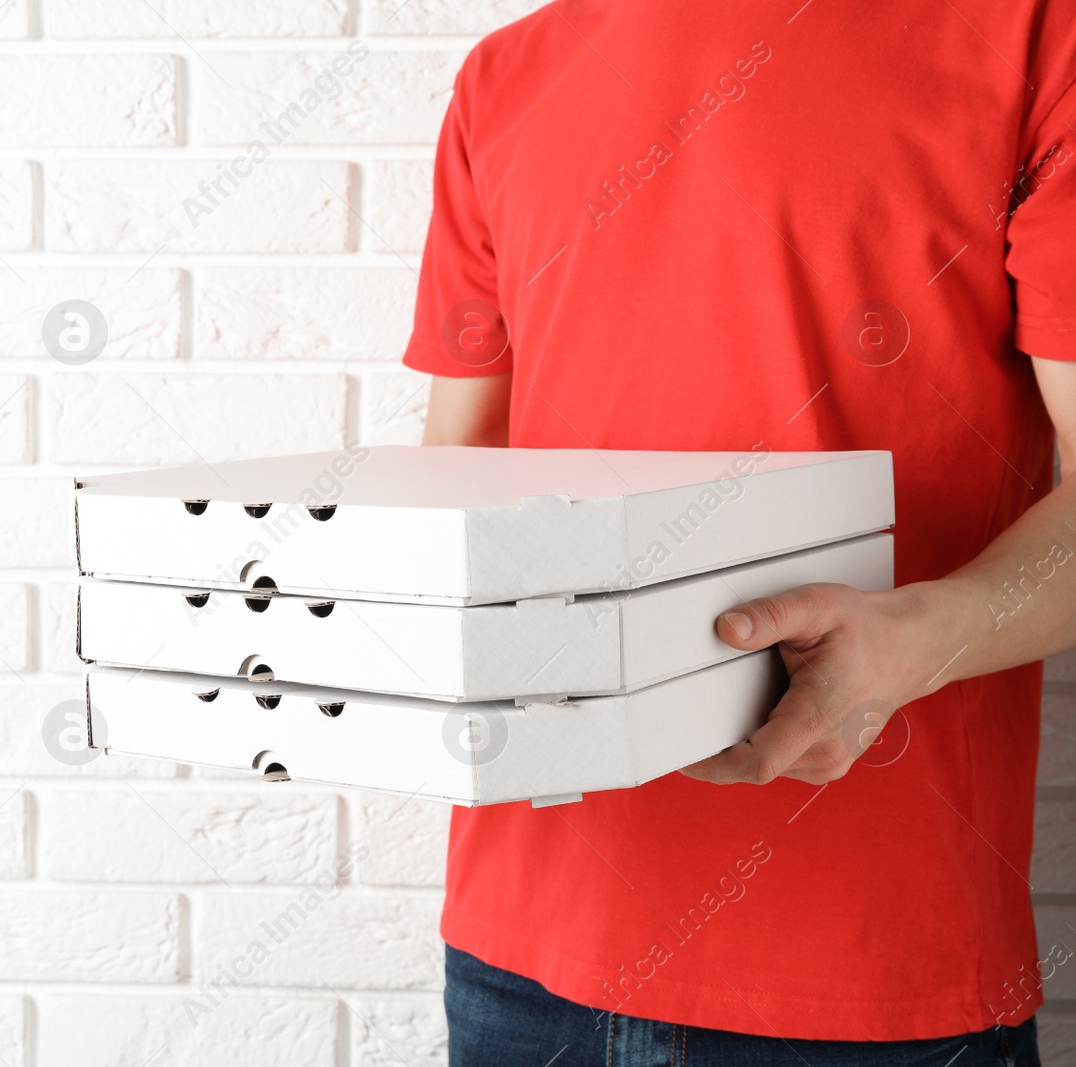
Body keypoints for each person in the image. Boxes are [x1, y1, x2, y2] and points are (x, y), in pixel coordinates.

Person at [406, 1, 1076, 1063]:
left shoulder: (1032, 37)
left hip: (869, 971)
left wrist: (910, 636)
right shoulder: (502, 78)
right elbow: (456, 484)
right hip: (523, 955)